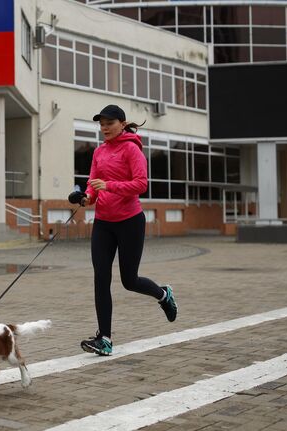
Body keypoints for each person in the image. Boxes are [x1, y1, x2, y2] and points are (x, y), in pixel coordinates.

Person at [69, 104, 177, 357]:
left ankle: (163, 294)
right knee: (101, 278)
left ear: (122, 123)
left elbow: (141, 184)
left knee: (129, 280)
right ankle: (104, 338)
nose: (105, 128)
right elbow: (93, 187)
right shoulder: (99, 152)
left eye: (109, 123)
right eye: (101, 124)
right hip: (103, 223)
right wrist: (84, 197)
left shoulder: (132, 149)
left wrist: (109, 185)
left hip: (130, 221)